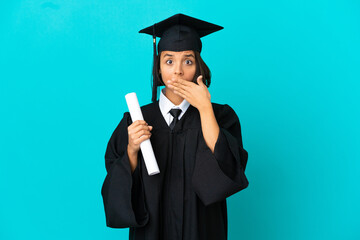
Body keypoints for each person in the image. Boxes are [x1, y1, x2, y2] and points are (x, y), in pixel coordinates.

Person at [101, 13, 249, 240]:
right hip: (152, 231)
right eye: (169, 61)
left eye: (188, 61)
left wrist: (205, 109)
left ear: (198, 67)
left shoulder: (221, 115)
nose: (178, 71)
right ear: (158, 68)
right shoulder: (136, 119)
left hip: (202, 230)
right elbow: (116, 184)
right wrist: (131, 150)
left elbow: (228, 169)